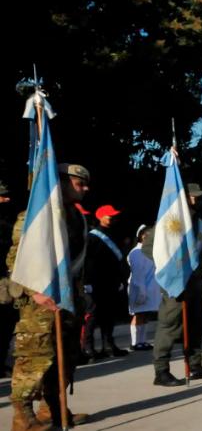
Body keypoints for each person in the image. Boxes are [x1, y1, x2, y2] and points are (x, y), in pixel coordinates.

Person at [7, 163, 91, 430]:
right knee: (34, 359)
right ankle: (23, 417)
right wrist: (36, 292)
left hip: (69, 300)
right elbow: (16, 260)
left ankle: (52, 409)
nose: (85, 189)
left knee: (65, 356)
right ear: (63, 183)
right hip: (39, 303)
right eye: (80, 183)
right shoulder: (34, 216)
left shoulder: (77, 217)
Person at [149, 183, 202, 386]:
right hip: (175, 281)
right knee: (169, 325)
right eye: (192, 197)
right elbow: (150, 248)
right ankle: (161, 371)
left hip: (195, 282)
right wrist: (171, 269)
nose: (196, 200)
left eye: (198, 196)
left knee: (196, 325)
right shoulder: (171, 220)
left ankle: (195, 365)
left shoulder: (198, 221)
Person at [83, 204, 128, 359]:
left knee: (109, 315)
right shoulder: (92, 236)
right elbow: (88, 261)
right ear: (101, 217)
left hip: (111, 281)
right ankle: (88, 347)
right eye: (110, 215)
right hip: (95, 282)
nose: (113, 218)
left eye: (114, 215)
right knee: (93, 315)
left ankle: (108, 345)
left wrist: (120, 279)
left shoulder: (115, 233)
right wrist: (87, 282)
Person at [127, 225, 160, 351]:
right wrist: (141, 291)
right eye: (146, 234)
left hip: (149, 289)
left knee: (144, 315)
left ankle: (142, 341)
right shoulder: (136, 252)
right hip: (139, 288)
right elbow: (138, 274)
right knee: (138, 315)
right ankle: (135, 342)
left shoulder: (149, 250)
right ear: (140, 235)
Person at [0, 181, 17, 378]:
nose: (7, 199)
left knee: (7, 325)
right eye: (3, 196)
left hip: (8, 280)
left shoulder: (10, 221)